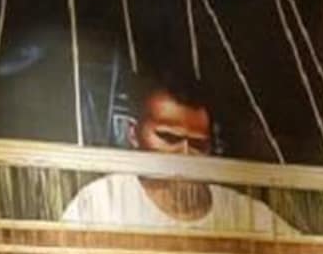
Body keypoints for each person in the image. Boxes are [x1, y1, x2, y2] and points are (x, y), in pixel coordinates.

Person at [62, 74, 299, 236]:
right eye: (169, 138)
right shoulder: (103, 203)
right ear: (133, 134)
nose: (185, 154)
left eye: (198, 144)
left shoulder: (244, 214)